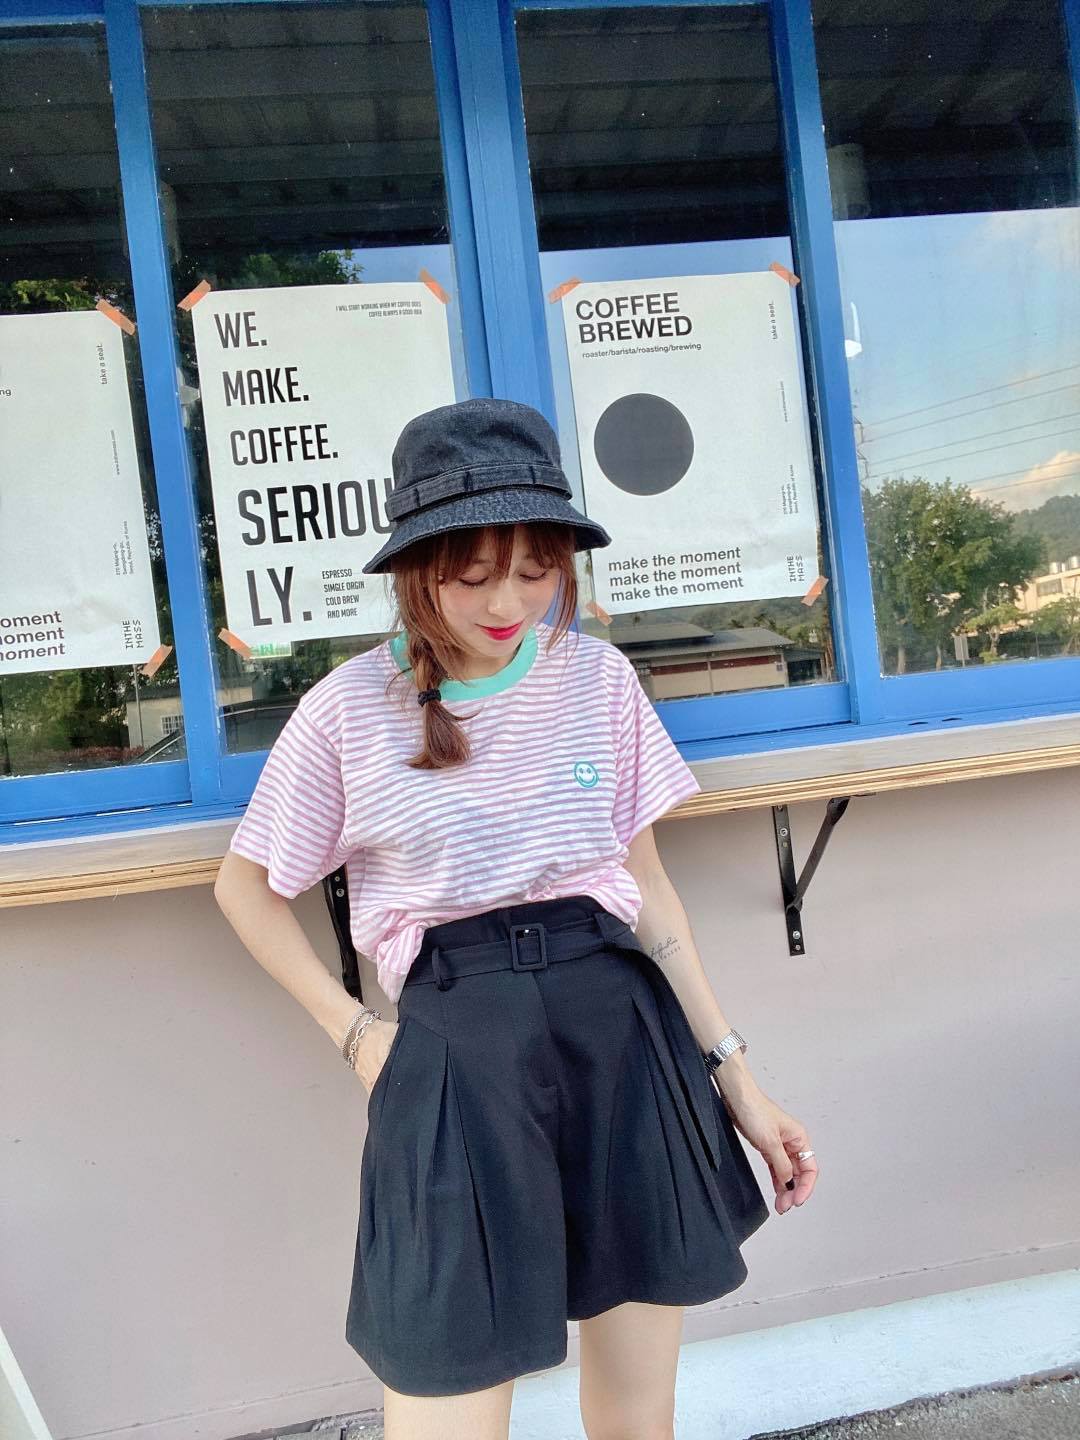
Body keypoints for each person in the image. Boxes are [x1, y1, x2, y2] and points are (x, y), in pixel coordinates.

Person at [213, 397, 819, 1440]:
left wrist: (739, 1081)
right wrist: (356, 1036)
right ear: (418, 569)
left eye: (537, 569)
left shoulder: (599, 679)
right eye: (474, 572)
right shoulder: (349, 708)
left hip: (624, 1039)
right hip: (458, 1053)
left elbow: (647, 891)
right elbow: (244, 888)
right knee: (445, 1399)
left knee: (638, 1410)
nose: (509, 601)